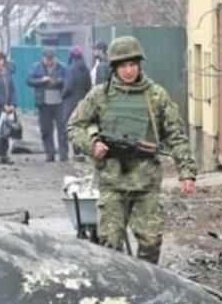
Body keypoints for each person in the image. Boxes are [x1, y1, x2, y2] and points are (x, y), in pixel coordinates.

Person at [67, 36, 196, 265]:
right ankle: (114, 292)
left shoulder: (156, 95)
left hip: (146, 183)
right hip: (112, 182)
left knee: (151, 242)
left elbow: (176, 135)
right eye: (123, 65)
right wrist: (92, 145)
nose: (128, 71)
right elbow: (74, 126)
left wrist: (186, 172)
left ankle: (144, 288)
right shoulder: (100, 95)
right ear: (114, 67)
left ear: (139, 65)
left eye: (132, 65)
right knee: (110, 245)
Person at [26, 47, 68, 162]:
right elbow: (29, 80)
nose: (49, 62)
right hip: (43, 103)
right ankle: (50, 153)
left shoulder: (62, 67)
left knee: (62, 130)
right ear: (43, 58)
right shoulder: (36, 67)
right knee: (46, 130)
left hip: (59, 103)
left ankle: (64, 154)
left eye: (51, 59)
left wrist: (60, 81)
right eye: (47, 59)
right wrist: (41, 80)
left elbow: (69, 80)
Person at [61, 45, 92, 161]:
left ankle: (71, 152)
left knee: (69, 126)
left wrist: (62, 95)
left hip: (70, 102)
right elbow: (89, 86)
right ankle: (80, 151)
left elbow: (68, 87)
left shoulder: (70, 69)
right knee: (81, 125)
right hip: (83, 101)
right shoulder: (86, 69)